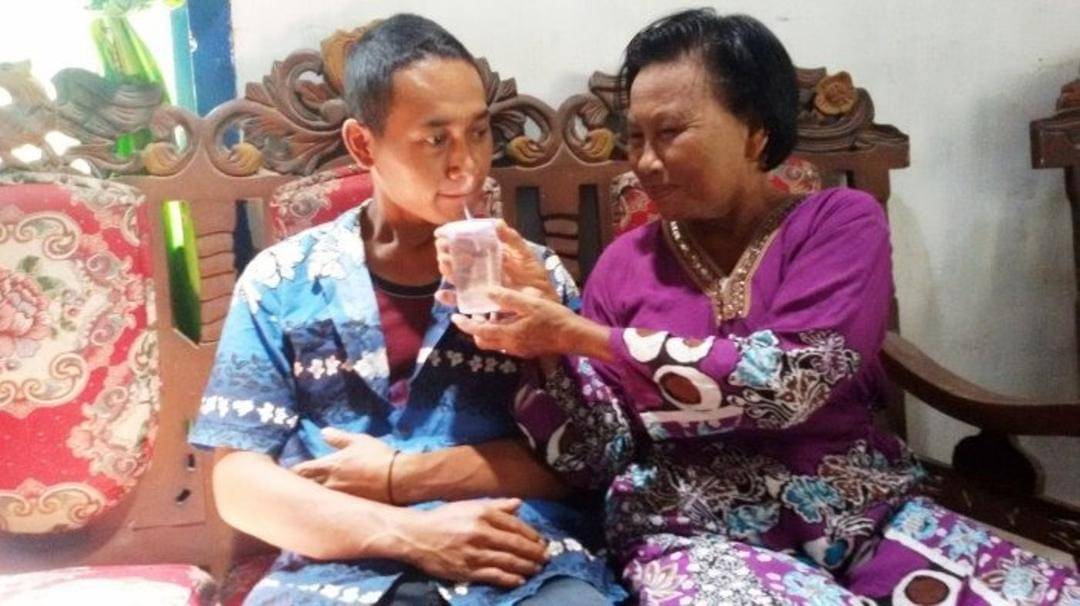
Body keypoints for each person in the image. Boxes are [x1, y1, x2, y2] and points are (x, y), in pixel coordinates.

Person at [438, 9, 1080, 605]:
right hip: (692, 528)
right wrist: (548, 346)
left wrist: (586, 337)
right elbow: (595, 456)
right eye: (636, 137)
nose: (647, 162)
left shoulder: (837, 222)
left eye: (671, 132)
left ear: (755, 133)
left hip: (863, 509)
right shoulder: (623, 264)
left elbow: (796, 378)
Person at [189, 14, 625, 606]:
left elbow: (584, 463)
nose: (467, 164)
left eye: (478, 132)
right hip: (343, 566)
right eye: (435, 139)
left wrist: (548, 338)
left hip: (517, 555)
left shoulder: (531, 276)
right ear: (362, 144)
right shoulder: (282, 282)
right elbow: (239, 481)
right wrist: (410, 532)